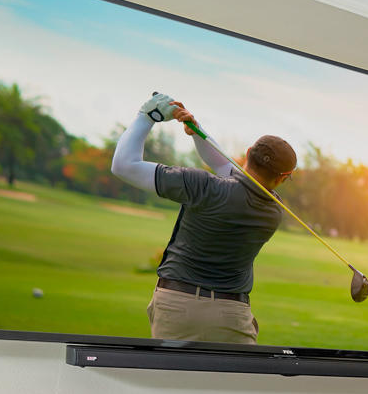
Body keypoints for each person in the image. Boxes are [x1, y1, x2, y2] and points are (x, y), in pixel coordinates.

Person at [110, 93, 296, 344]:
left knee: (173, 382)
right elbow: (224, 167)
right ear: (283, 178)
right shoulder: (273, 210)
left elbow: (123, 165)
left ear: (248, 152)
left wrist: (147, 116)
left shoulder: (201, 185)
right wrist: (196, 131)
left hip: (178, 306)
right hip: (233, 315)